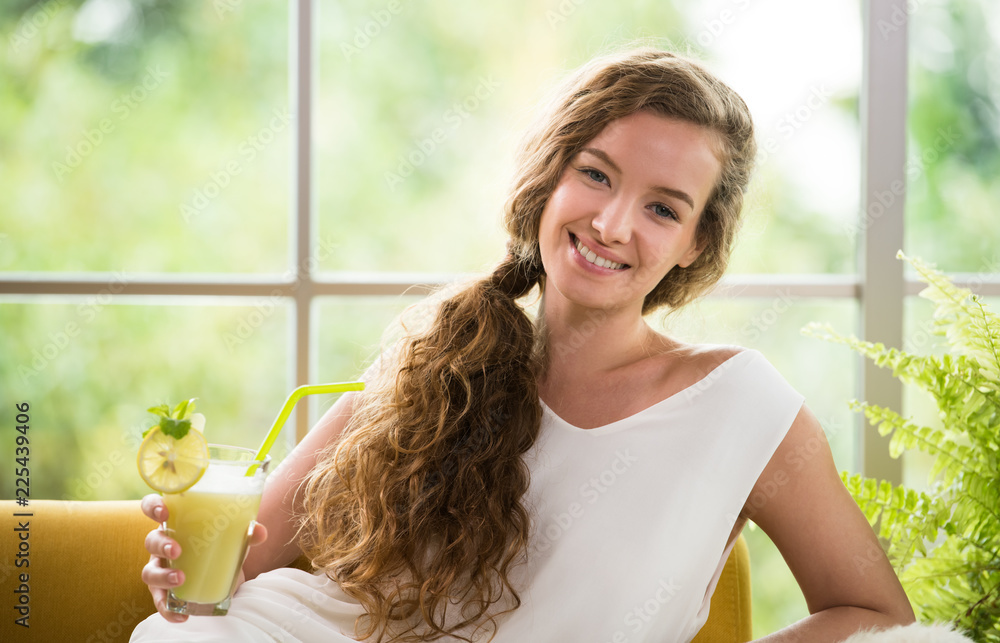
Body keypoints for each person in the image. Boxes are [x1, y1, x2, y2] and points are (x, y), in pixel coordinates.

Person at [132, 48, 916, 642]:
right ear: (550, 177)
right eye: (597, 174)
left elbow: (876, 611)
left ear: (694, 243)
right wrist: (187, 572)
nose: (612, 226)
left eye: (663, 208)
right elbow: (247, 559)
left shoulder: (742, 405)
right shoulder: (435, 349)